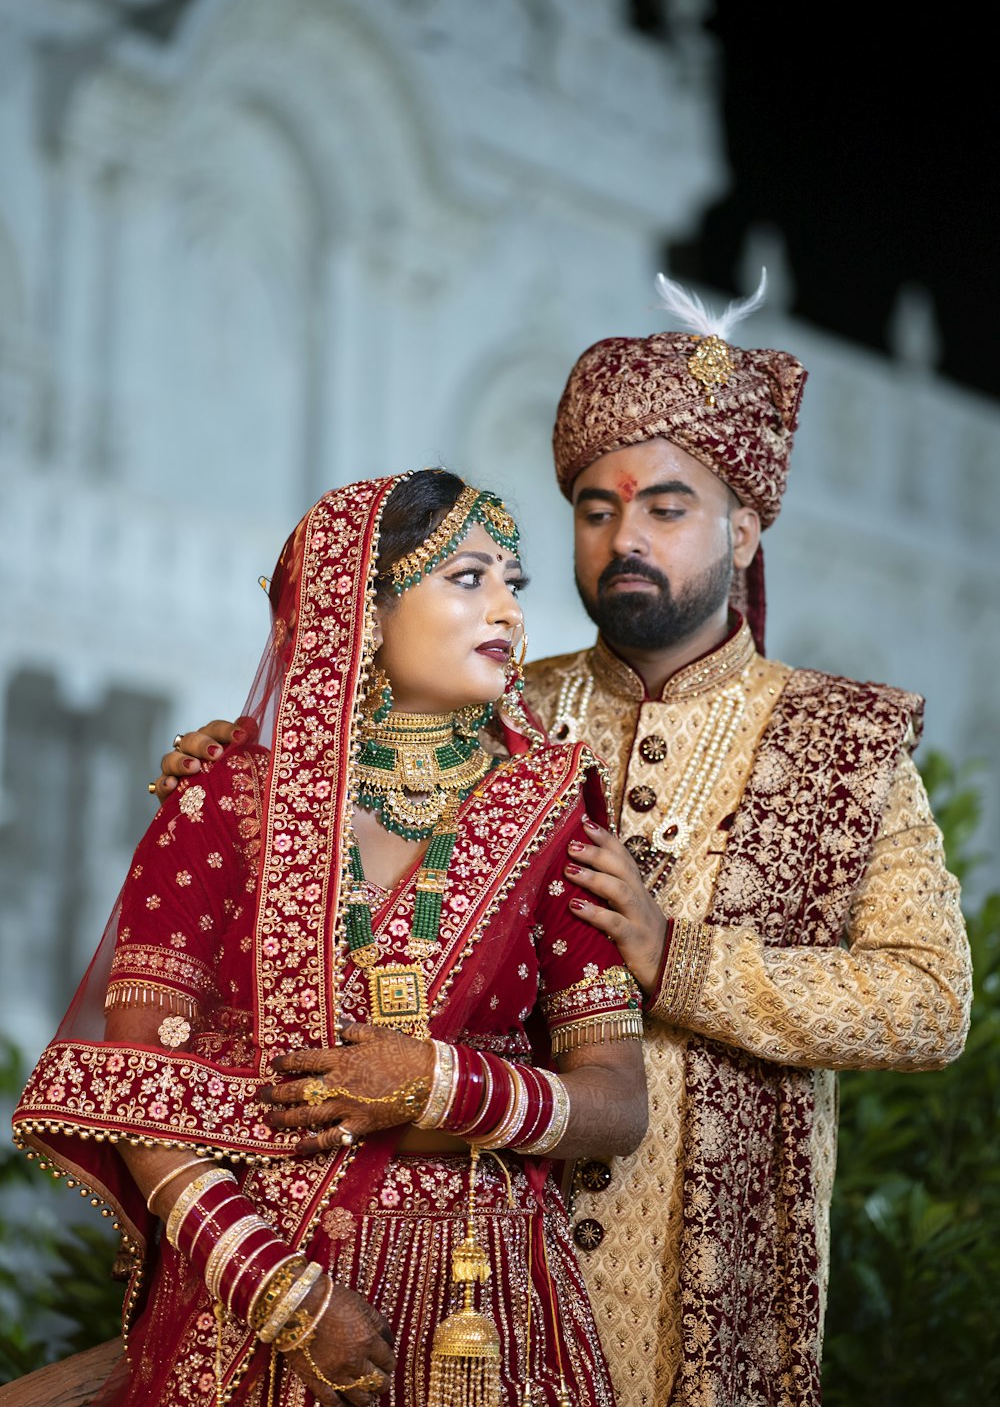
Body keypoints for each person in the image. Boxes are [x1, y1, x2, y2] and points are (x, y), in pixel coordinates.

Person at [153, 278, 973, 1407]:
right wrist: (240, 762)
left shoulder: (848, 744)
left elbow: (927, 1001)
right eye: (594, 510)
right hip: (462, 1269)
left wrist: (675, 958)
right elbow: (327, 775)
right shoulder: (487, 705)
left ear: (748, 527)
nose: (623, 538)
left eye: (666, 508)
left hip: (709, 1276)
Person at [13, 471, 648, 1407]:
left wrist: (441, 1081)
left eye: (515, 582)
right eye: (469, 578)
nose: (510, 609)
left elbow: (616, 1101)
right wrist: (287, 1296)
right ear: (362, 606)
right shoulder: (221, 800)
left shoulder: (554, 812)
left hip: (485, 1293)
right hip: (255, 1284)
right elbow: (139, 1089)